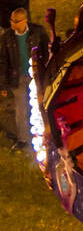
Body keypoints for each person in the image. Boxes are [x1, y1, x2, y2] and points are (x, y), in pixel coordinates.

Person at [0, 8, 49, 151]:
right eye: (11, 20)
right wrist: (3, 85)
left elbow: (45, 51)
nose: (12, 24)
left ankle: (46, 136)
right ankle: (23, 139)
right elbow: (2, 61)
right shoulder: (7, 37)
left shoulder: (38, 32)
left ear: (25, 20)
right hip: (18, 77)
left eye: (16, 21)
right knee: (21, 109)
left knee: (41, 106)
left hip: (35, 75)